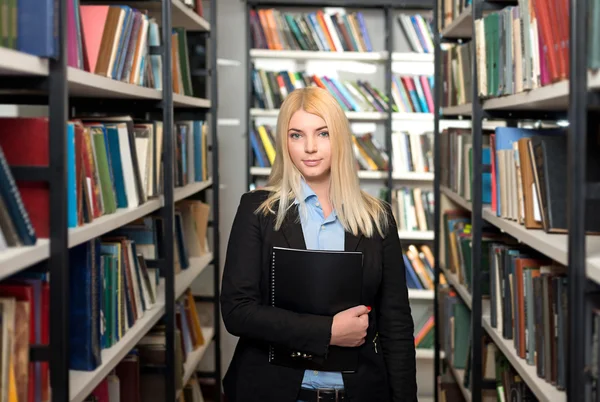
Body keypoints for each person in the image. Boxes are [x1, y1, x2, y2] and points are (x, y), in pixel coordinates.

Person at [220, 87, 417, 402]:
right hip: (275, 391)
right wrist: (328, 332)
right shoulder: (257, 210)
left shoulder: (377, 217)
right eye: (296, 135)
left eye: (322, 133)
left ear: (339, 138)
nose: (309, 147)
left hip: (359, 392)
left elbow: (397, 325)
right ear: (284, 143)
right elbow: (236, 311)